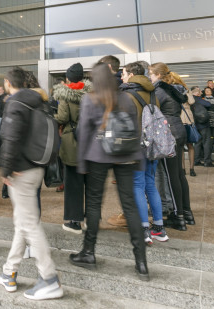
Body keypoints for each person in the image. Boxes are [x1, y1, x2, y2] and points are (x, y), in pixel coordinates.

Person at [70, 63, 149, 281]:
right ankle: (141, 262)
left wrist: (81, 163)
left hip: (98, 155)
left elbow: (84, 133)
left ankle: (88, 252)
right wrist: (138, 158)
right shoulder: (125, 98)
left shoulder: (90, 99)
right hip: (126, 155)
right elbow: (135, 128)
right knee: (130, 205)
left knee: (94, 204)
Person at [0, 68, 64, 300]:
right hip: (37, 168)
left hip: (21, 171)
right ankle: (9, 271)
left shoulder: (16, 103)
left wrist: (6, 169)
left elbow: (11, 137)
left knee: (30, 225)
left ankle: (49, 278)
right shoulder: (39, 102)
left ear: (8, 83)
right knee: (23, 222)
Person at [119, 62, 169, 245]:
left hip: (136, 147)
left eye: (123, 74)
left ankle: (143, 229)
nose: (122, 77)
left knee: (137, 185)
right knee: (150, 184)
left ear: (131, 75)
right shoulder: (153, 93)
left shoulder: (126, 95)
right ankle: (159, 228)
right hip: (152, 146)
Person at [148, 63, 191, 231]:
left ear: (159, 75)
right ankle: (186, 212)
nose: (150, 77)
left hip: (168, 135)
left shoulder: (159, 90)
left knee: (172, 176)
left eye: (151, 74)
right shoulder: (174, 89)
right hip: (179, 130)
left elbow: (151, 110)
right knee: (179, 174)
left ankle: (177, 216)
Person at [53, 62, 90, 234]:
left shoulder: (65, 94)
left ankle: (75, 222)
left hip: (73, 142)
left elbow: (62, 117)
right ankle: (90, 220)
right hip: (90, 141)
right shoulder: (92, 93)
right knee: (91, 183)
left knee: (73, 183)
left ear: (68, 78)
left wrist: (53, 117)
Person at [190, 87, 214, 168]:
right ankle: (207, 161)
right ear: (197, 93)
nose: (201, 92)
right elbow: (208, 104)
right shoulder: (198, 99)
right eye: (200, 91)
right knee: (207, 142)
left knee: (197, 143)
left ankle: (196, 161)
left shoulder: (189, 100)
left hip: (194, 124)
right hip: (203, 124)